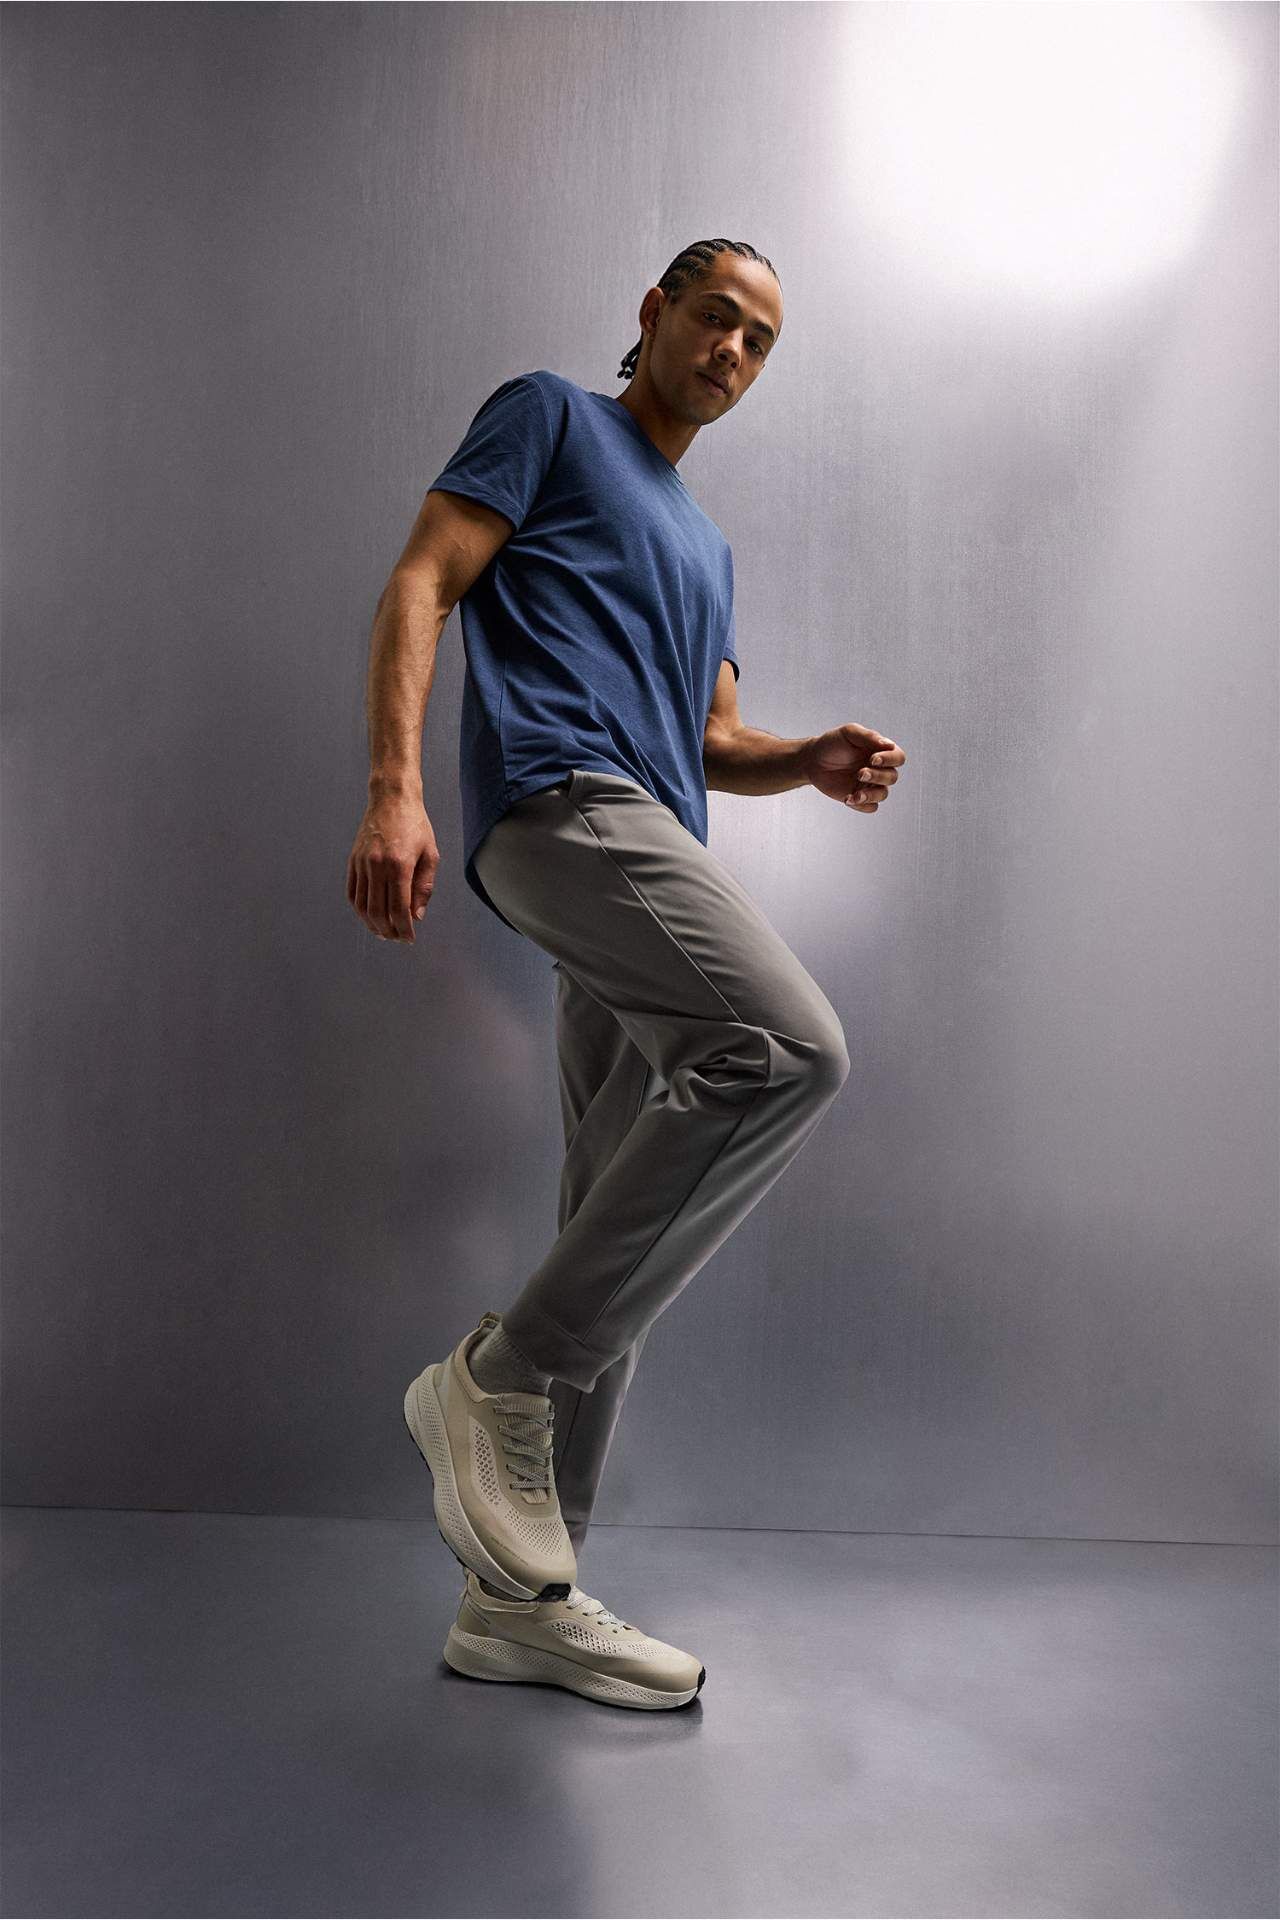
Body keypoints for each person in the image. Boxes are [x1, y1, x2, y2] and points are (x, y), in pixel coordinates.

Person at [346, 237, 905, 1710]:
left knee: (617, 1212)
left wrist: (804, 758)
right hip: (562, 802)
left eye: (760, 341)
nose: (733, 351)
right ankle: (499, 1378)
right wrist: (396, 787)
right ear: (654, 313)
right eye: (716, 317)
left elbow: (707, 740)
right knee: (785, 1051)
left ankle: (520, 1602)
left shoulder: (706, 549)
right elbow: (424, 579)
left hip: (644, 835)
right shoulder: (549, 416)